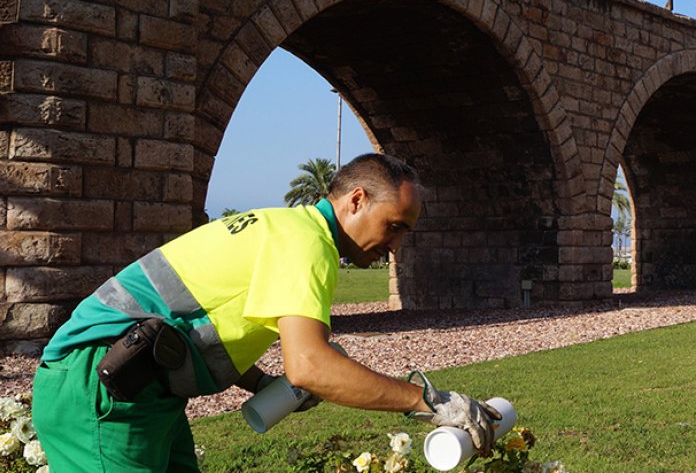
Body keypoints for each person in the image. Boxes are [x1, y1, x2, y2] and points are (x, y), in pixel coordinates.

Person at [32, 153, 501, 472]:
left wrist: (260, 384)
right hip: (103, 388)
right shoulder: (307, 244)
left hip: (139, 386)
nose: (396, 246)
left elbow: (203, 318)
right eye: (394, 226)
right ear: (357, 199)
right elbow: (311, 365)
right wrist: (430, 402)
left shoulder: (287, 228)